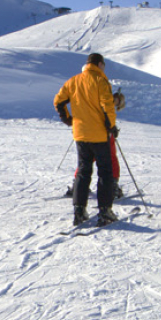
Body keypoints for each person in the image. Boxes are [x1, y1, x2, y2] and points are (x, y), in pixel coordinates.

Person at [54, 52, 120, 226]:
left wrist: (68, 119)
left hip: (80, 134)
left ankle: (79, 210)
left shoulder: (73, 81)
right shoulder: (100, 81)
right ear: (98, 64)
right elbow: (108, 106)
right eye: (103, 65)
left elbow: (58, 101)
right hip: (99, 135)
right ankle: (105, 211)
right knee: (105, 172)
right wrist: (111, 126)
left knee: (83, 171)